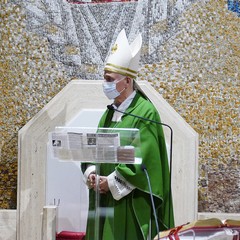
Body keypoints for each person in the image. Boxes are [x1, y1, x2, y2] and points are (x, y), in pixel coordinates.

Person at [82, 29, 174, 240]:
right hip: (103, 200)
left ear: (127, 81)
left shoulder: (145, 112)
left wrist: (112, 181)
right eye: (104, 78)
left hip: (129, 203)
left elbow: (147, 161)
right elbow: (96, 148)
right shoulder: (110, 111)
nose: (105, 84)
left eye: (109, 79)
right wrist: (93, 173)